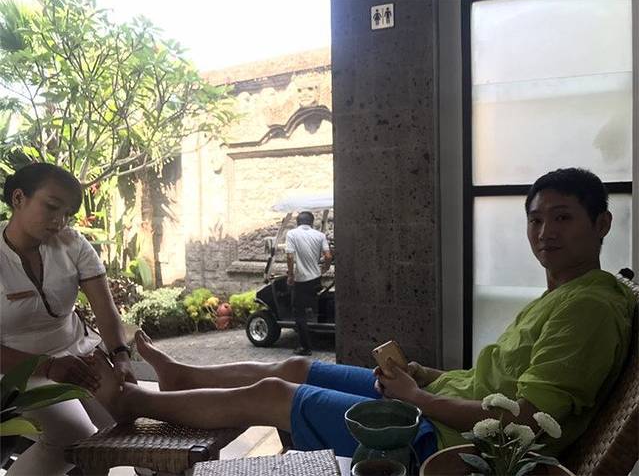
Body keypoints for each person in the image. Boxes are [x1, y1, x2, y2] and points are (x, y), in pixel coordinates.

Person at [91, 168, 635, 463]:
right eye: (536, 220)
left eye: (563, 218)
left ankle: (137, 400)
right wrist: (423, 376)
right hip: (440, 404)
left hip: (449, 445)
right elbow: (499, 386)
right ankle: (183, 374)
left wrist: (417, 399)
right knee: (296, 367)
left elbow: (526, 423)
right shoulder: (569, 293)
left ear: (602, 224)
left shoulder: (588, 308)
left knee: (275, 395)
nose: (545, 232)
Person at [0, 162, 137, 476]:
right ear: (19, 198)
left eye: (67, 214)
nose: (59, 221)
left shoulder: (72, 244)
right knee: (74, 436)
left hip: (80, 357)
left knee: (134, 425)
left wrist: (121, 356)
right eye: (51, 207)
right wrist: (48, 366)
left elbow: (105, 309)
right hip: (16, 372)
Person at [285, 211, 332, 356]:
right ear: (312, 222)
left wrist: (290, 275)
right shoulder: (320, 235)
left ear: (297, 222)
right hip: (316, 278)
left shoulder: (292, 234)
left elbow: (289, 256)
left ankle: (305, 347)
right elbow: (328, 255)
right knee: (313, 304)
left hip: (301, 280)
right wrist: (325, 268)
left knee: (299, 313)